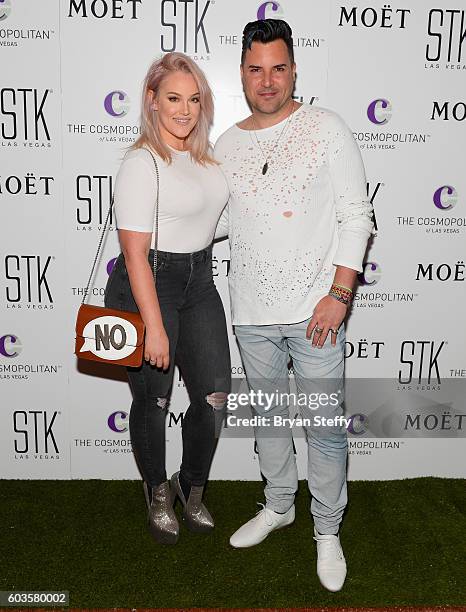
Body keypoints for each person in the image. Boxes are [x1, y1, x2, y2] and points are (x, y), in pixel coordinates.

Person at [214, 19, 373, 591]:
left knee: (324, 428)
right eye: (256, 69)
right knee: (272, 421)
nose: (267, 80)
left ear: (294, 69)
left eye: (278, 67)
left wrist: (338, 294)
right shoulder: (226, 144)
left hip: (316, 314)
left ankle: (326, 530)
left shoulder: (327, 128)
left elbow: (358, 219)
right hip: (251, 313)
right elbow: (217, 221)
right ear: (241, 74)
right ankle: (279, 504)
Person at [105, 52, 231, 545]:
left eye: (194, 99)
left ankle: (191, 487)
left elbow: (211, 221)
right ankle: (157, 492)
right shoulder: (141, 162)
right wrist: (153, 327)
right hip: (149, 283)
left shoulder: (205, 158)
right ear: (152, 101)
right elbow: (134, 255)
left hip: (199, 281)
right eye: (173, 98)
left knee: (214, 396)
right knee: (153, 400)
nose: (184, 110)